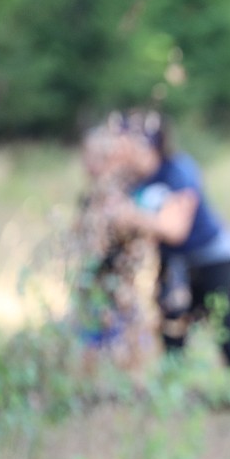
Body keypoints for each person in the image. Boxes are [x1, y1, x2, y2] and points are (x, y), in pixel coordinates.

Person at [111, 109, 230, 373]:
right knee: (171, 323)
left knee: (222, 326)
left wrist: (130, 216)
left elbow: (175, 229)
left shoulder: (178, 169)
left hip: (211, 255)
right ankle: (174, 387)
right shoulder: (130, 179)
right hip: (173, 258)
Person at [70, 123, 154, 374]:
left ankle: (131, 398)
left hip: (119, 285)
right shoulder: (88, 198)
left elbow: (136, 241)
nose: (90, 165)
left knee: (129, 348)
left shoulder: (125, 196)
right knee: (88, 349)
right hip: (91, 286)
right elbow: (80, 240)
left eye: (98, 158)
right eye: (88, 158)